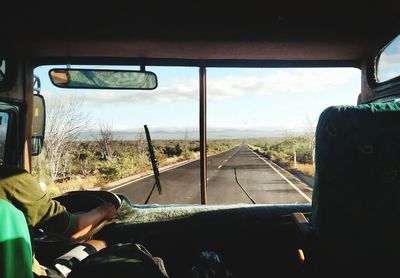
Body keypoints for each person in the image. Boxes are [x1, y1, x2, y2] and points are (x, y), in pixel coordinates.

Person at [0, 165, 118, 277]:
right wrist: (103, 211)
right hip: (31, 274)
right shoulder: (12, 179)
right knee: (99, 244)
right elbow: (74, 230)